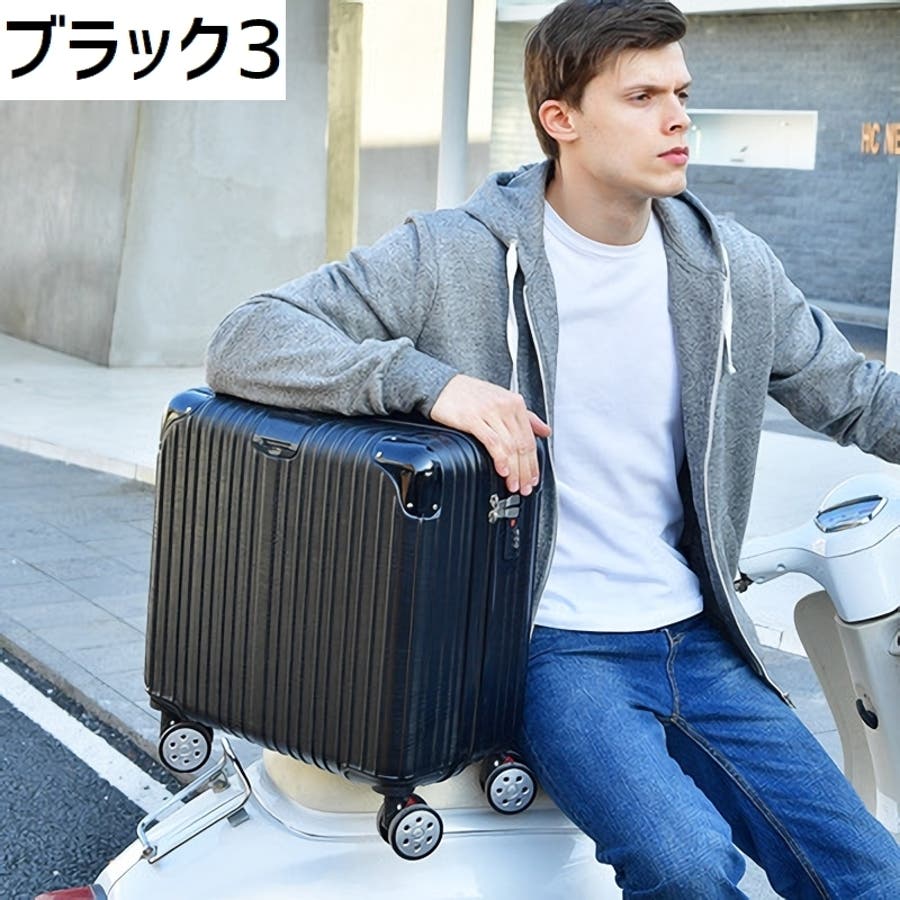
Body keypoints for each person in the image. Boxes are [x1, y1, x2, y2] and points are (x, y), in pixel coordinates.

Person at [206, 0, 900, 895]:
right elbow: (249, 335)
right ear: (560, 119)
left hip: (699, 634)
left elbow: (855, 398)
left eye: (682, 93)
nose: (678, 119)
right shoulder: (453, 255)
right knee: (685, 863)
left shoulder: (731, 269)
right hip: (555, 648)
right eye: (642, 96)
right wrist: (432, 384)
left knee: (870, 871)